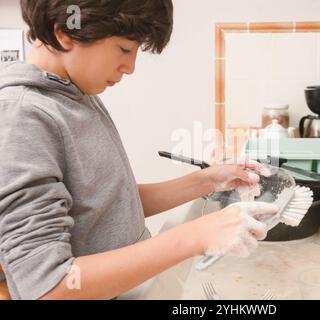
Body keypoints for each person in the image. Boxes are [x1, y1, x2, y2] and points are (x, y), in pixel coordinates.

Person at [0, 0, 279, 300]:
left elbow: (109, 206)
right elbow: (47, 288)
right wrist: (196, 236)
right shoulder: (22, 116)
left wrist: (208, 180)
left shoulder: (75, 94)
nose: (130, 67)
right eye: (124, 49)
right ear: (67, 32)